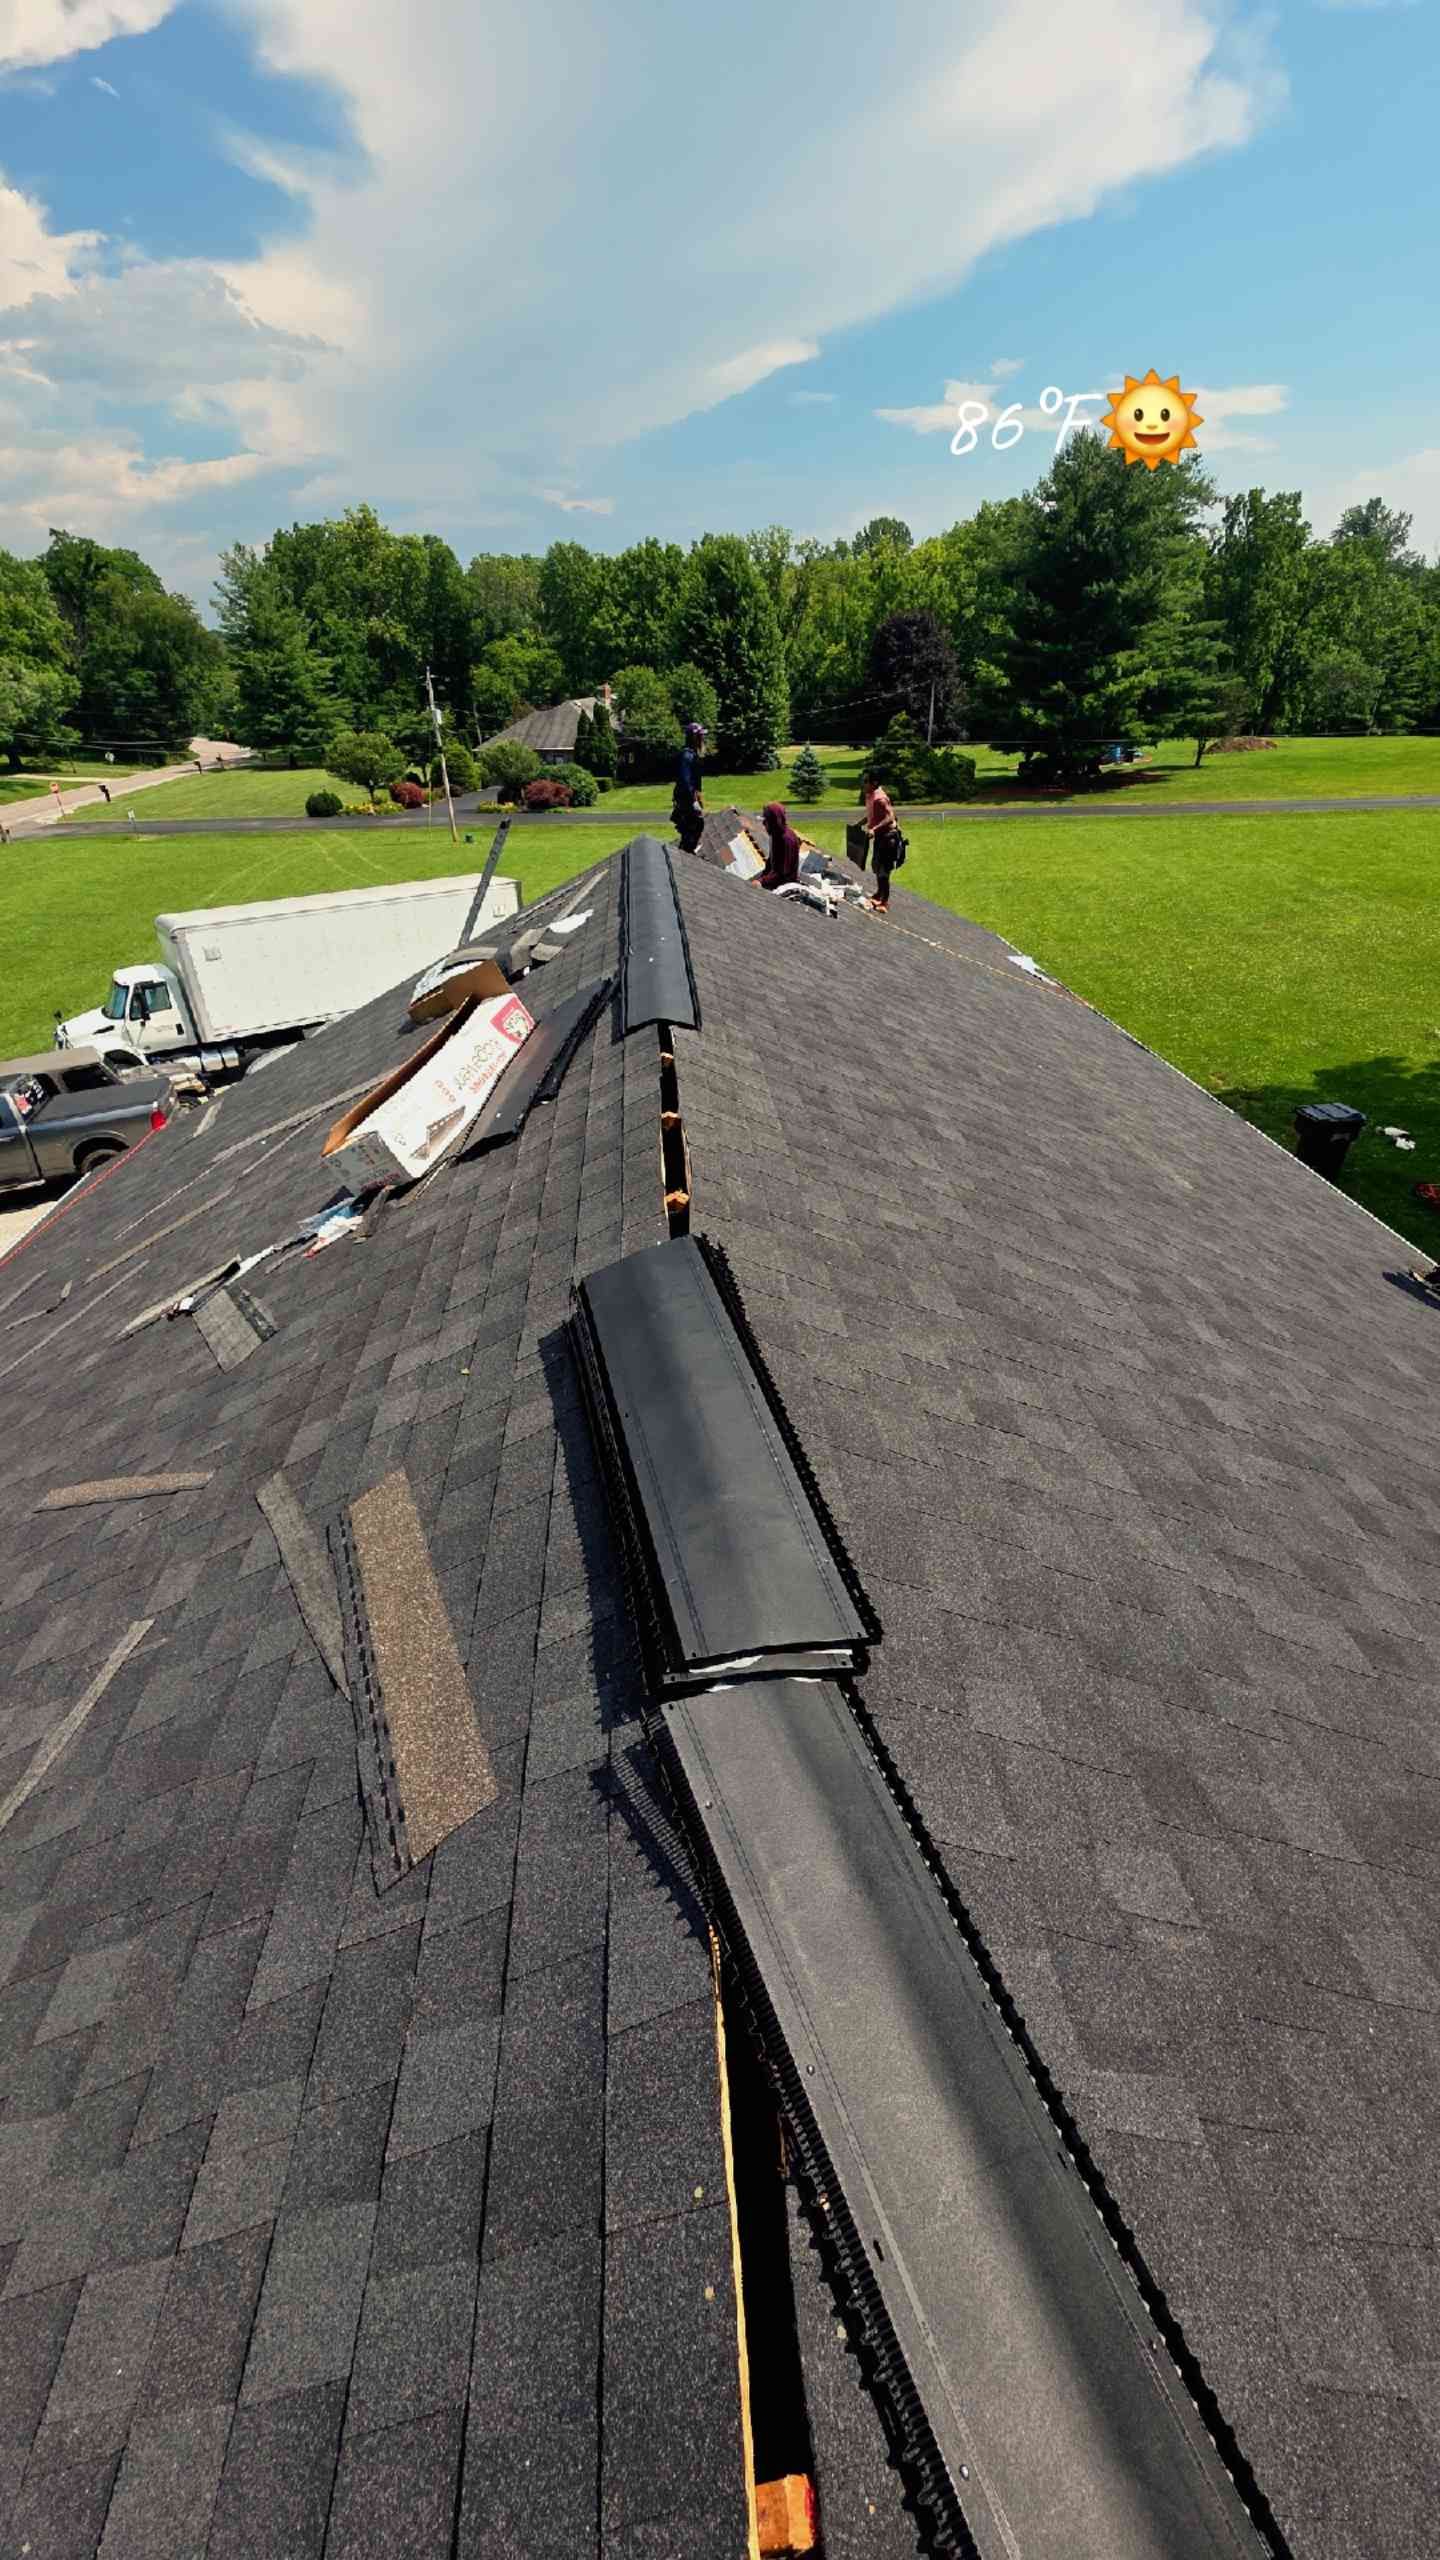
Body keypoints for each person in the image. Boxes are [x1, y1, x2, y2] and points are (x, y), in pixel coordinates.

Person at [861, 769, 901, 913]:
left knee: (884, 871)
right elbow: (872, 815)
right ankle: (879, 893)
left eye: (866, 781)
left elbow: (890, 817)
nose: (863, 784)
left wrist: (874, 829)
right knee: (877, 866)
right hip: (879, 837)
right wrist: (859, 823)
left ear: (874, 782)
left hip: (888, 838)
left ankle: (885, 902)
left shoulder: (880, 798)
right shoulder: (869, 795)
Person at [672, 722, 707, 854]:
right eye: (700, 736)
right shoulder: (687, 756)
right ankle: (686, 854)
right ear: (694, 738)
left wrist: (699, 799)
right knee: (695, 826)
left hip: (687, 799)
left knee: (693, 827)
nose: (703, 740)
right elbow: (685, 781)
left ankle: (687, 852)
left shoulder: (692, 755)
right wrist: (694, 802)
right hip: (685, 800)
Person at [757, 802, 801, 890]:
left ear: (773, 822)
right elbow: (771, 862)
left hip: (783, 885)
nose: (763, 823)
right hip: (773, 880)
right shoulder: (776, 835)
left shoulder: (786, 840)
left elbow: (781, 874)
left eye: (766, 820)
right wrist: (761, 878)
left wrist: (761, 881)